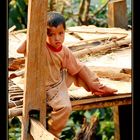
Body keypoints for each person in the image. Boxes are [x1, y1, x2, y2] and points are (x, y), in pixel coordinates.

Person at [16, 11, 118, 138]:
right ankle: (54, 132)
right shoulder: (38, 45)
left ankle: (98, 88)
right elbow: (19, 50)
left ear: (65, 32)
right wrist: (35, 33)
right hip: (43, 87)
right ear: (44, 34)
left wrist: (92, 84)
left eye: (60, 33)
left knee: (81, 68)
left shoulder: (64, 51)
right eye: (51, 34)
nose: (57, 38)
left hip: (57, 82)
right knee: (65, 107)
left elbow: (77, 69)